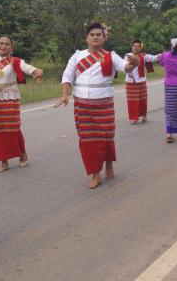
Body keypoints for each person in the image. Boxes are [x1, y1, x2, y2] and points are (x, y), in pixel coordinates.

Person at [55, 22, 139, 189]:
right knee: (87, 140)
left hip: (104, 103)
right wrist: (65, 94)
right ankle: (95, 174)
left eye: (98, 35)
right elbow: (67, 75)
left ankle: (108, 164)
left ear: (103, 38)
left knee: (106, 137)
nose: (95, 37)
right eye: (92, 35)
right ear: (87, 38)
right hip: (82, 104)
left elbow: (126, 67)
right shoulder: (77, 56)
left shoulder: (110, 55)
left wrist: (134, 63)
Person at [0, 36, 43, 173]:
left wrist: (36, 71)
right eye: (1, 43)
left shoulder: (15, 61)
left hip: (10, 97)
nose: (3, 46)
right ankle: (3, 161)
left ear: (11, 48)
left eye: (7, 44)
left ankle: (22, 154)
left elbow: (27, 68)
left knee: (12, 128)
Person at [124, 40, 160, 124]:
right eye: (134, 46)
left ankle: (144, 115)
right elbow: (125, 66)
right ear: (132, 47)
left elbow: (153, 58)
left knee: (142, 99)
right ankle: (134, 118)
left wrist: (161, 56)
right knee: (132, 101)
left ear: (140, 48)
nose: (136, 48)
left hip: (141, 81)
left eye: (138, 46)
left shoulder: (144, 56)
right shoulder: (127, 56)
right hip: (130, 81)